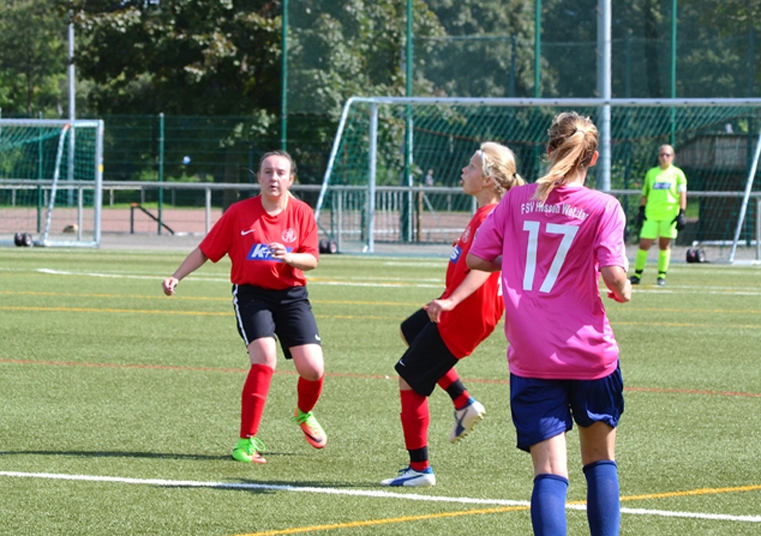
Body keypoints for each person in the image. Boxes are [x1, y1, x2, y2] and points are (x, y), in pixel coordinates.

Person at [466, 113, 631, 535]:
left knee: (550, 472)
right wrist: (623, 288)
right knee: (600, 460)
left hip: (532, 354)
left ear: (548, 149)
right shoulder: (603, 206)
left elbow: (477, 258)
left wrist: (516, 260)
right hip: (588, 352)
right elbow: (613, 275)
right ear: (592, 158)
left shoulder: (516, 200)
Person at [162, 150, 327, 465]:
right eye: (267, 172)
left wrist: (289, 257)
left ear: (291, 179)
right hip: (252, 295)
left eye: (280, 173)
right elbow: (206, 250)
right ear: (259, 177)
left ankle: (304, 413)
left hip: (292, 296)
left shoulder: (302, 212)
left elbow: (312, 259)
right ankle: (245, 442)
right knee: (264, 357)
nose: (274, 178)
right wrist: (177, 276)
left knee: (313, 369)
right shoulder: (239, 213)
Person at [380, 142, 524, 488]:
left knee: (409, 377)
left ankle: (419, 468)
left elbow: (482, 271)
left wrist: (451, 301)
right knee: (411, 330)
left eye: (472, 167)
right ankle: (463, 401)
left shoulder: (490, 217)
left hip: (466, 313)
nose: (464, 170)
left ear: (488, 180)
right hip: (461, 306)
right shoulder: (487, 213)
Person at [630, 144, 687, 286]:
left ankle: (661, 276)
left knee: (664, 245)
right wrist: (641, 210)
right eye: (662, 155)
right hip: (651, 214)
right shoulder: (652, 173)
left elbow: (682, 194)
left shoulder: (678, 174)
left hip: (669, 215)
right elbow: (645, 193)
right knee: (644, 244)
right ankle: (637, 275)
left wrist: (682, 213)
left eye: (668, 155)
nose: (664, 157)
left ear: (672, 157)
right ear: (658, 157)